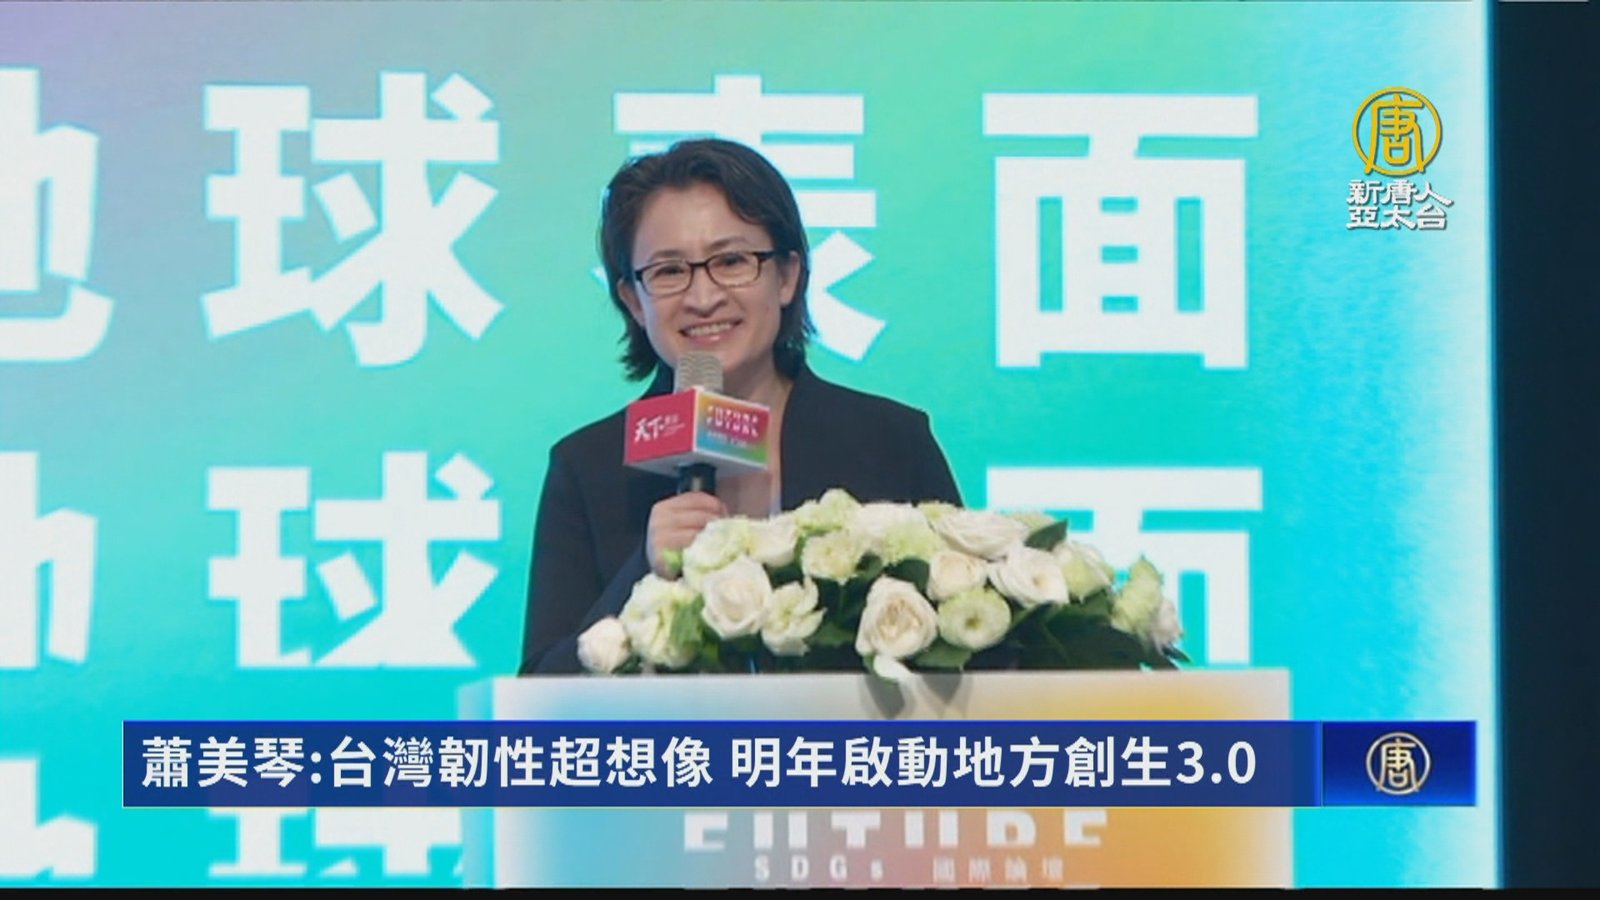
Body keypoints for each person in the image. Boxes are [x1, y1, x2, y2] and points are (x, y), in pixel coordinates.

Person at [519, 138, 961, 675]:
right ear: (634, 300)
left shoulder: (889, 440)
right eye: (668, 272)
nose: (703, 298)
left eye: (731, 262)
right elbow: (538, 690)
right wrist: (642, 571)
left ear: (787, 276)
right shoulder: (588, 466)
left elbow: (974, 658)